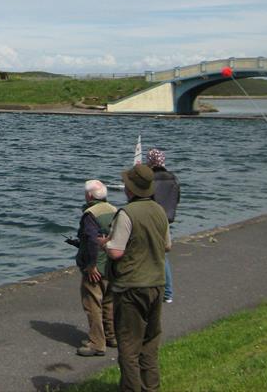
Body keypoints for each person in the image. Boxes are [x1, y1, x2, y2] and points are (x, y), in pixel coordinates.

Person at [100, 164, 171, 392]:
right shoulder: (159, 211)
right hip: (157, 284)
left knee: (129, 348)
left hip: (131, 286)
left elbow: (116, 252)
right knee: (150, 343)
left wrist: (105, 243)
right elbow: (167, 245)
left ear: (130, 190)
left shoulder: (127, 213)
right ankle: (151, 387)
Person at [73, 179, 117, 357]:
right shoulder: (115, 210)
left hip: (96, 266)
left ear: (89, 195)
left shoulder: (90, 214)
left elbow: (91, 240)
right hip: (112, 264)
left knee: (92, 304)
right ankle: (111, 336)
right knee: (109, 302)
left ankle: (97, 343)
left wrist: (91, 266)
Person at [146, 148, 181, 303]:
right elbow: (177, 198)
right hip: (167, 218)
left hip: (152, 218)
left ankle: (165, 292)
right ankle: (166, 292)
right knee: (162, 253)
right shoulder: (173, 178)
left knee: (155, 254)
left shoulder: (150, 178)